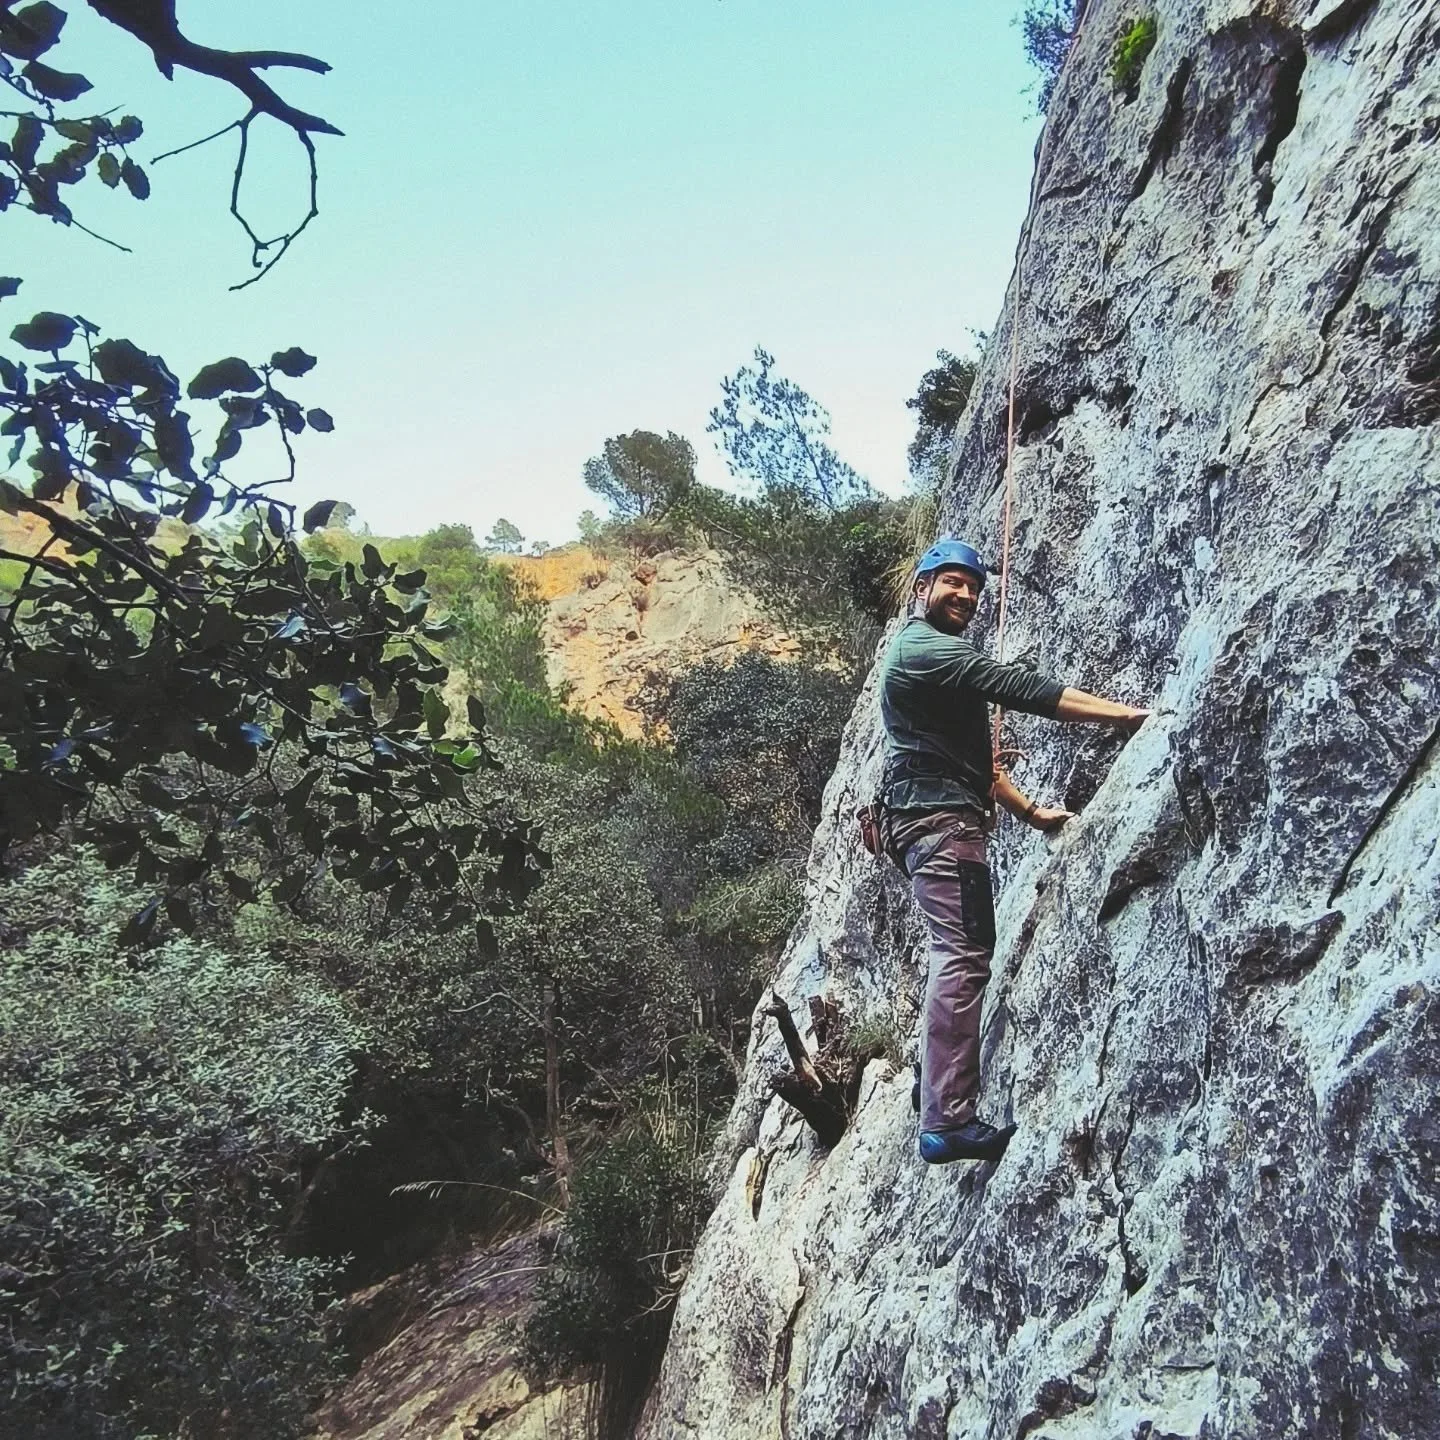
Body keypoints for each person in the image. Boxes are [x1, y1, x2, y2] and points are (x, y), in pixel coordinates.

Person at [877, 538, 1148, 1165]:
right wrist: (1123, 717)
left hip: (934, 819)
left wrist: (1029, 811)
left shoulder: (931, 663)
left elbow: (972, 762)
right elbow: (1017, 687)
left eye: (973, 586)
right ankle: (945, 1119)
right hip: (940, 826)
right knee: (964, 953)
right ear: (922, 588)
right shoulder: (924, 649)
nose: (966, 595)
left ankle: (933, 1084)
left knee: (958, 950)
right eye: (952, 582)